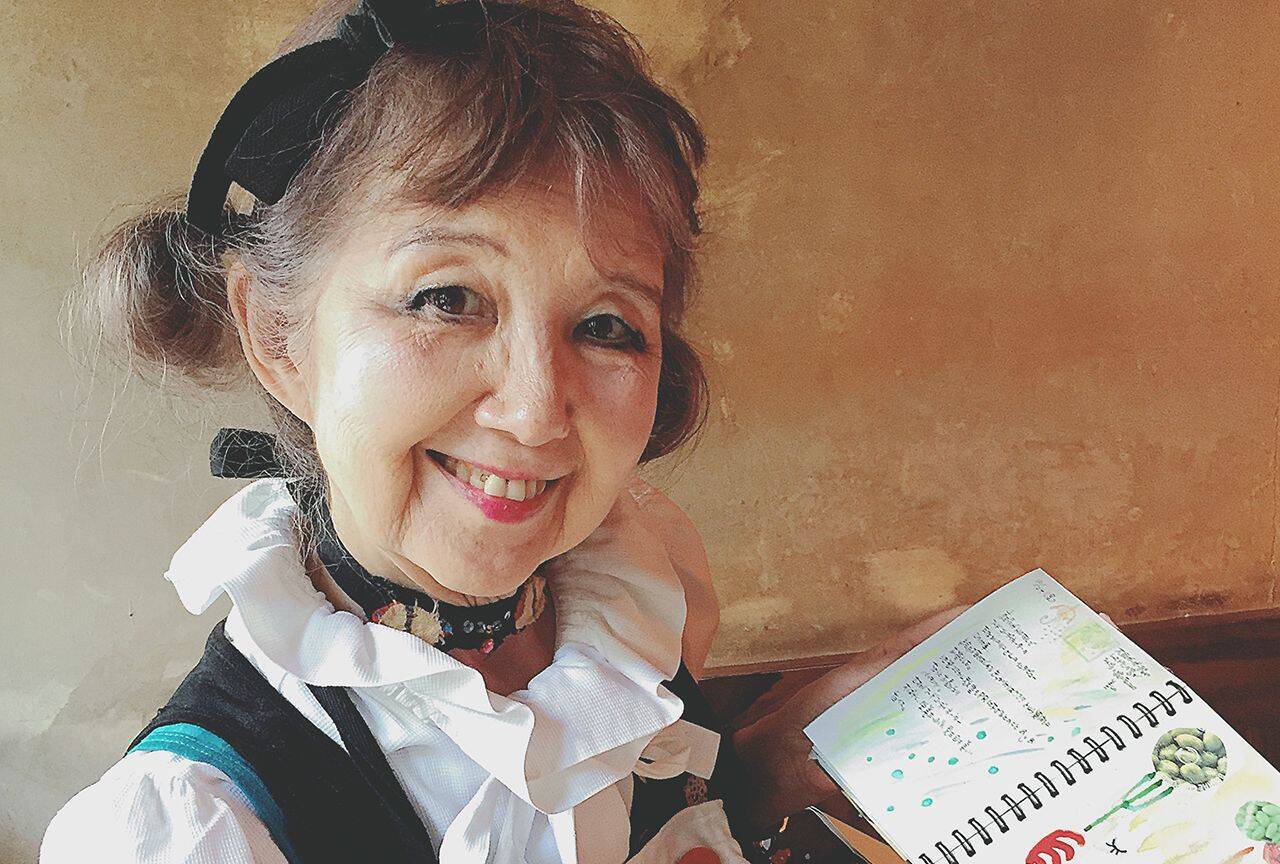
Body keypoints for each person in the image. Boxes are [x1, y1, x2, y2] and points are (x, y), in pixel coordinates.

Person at [41, 1, 959, 861]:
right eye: (446, 299)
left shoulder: (643, 576)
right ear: (277, 336)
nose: (533, 409)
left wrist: (781, 761)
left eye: (606, 326)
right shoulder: (189, 823)